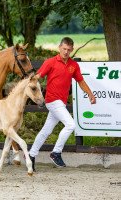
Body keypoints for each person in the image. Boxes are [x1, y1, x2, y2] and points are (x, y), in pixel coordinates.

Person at [29, 37, 96, 171]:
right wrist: (32, 83)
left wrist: (90, 93)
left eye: (69, 50)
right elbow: (37, 77)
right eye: (64, 49)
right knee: (71, 124)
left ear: (71, 49)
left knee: (46, 131)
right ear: (59, 47)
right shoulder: (50, 62)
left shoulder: (73, 65)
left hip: (61, 102)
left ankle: (30, 155)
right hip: (52, 100)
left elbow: (81, 81)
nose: (66, 52)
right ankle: (56, 153)